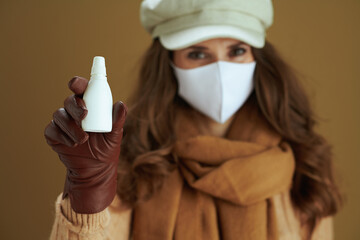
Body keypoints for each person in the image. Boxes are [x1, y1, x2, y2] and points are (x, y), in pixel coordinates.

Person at [45, 0, 342, 239]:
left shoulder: (305, 163)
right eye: (197, 54)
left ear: (258, 58)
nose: (220, 70)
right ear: (169, 63)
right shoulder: (130, 158)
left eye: (237, 50)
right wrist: (88, 195)